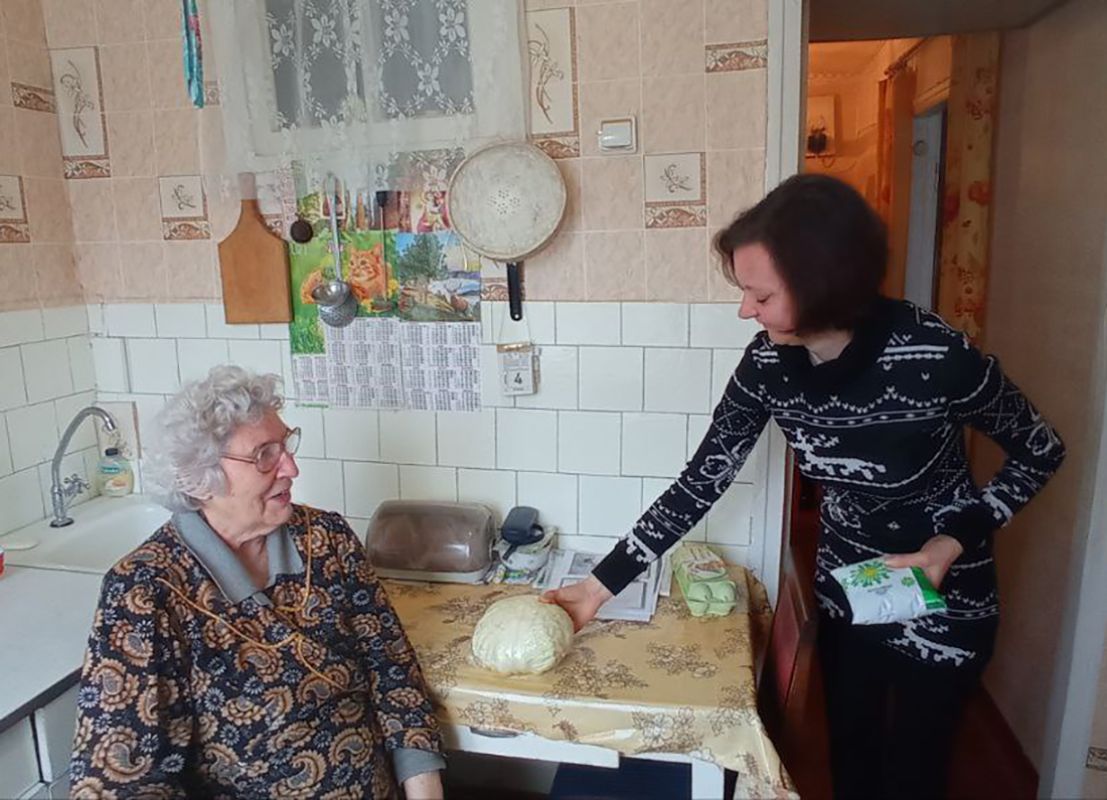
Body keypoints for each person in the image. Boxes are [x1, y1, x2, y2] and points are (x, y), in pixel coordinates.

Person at [542, 174, 1065, 799]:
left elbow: (1041, 449)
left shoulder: (934, 355)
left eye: (760, 295)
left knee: (917, 773)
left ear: (825, 284)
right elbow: (701, 481)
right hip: (852, 589)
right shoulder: (767, 364)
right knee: (852, 762)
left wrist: (952, 541)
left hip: (947, 596)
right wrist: (598, 587)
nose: (746, 311)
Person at [70, 366, 445, 799]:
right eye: (265, 455)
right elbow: (122, 780)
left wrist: (424, 788)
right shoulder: (145, 593)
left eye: (286, 445)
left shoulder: (326, 539)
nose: (291, 468)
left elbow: (392, 670)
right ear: (199, 477)